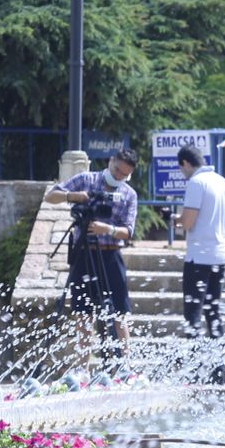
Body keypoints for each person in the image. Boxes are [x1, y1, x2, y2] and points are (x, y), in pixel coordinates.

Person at [44, 148, 139, 365]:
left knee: (119, 313)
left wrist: (109, 229)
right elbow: (51, 196)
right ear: (111, 161)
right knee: (83, 313)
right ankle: (82, 368)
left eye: (123, 175)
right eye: (116, 170)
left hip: (111, 255)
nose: (117, 177)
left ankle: (125, 364)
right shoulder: (86, 180)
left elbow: (129, 230)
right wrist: (73, 196)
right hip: (84, 255)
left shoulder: (129, 194)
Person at [177, 144, 225, 339]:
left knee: (192, 313)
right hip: (221, 255)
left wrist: (175, 220)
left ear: (185, 163)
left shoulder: (196, 182)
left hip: (199, 257)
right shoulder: (222, 182)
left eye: (181, 168)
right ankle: (218, 366)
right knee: (213, 311)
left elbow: (188, 222)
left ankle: (194, 367)